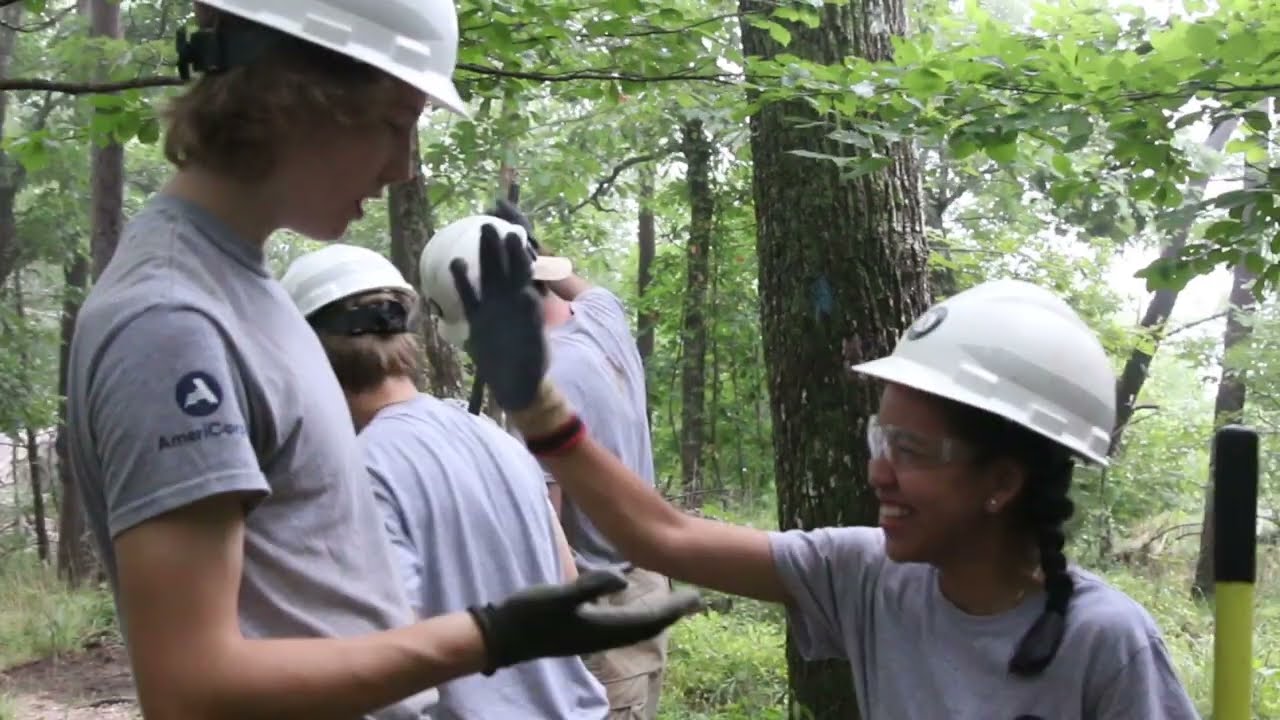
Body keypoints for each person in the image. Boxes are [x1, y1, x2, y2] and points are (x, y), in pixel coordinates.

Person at [62, 4, 700, 719]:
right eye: (394, 121)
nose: (402, 166)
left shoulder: (244, 289)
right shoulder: (174, 321)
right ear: (291, 95)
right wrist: (485, 636)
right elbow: (192, 686)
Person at [439, 226, 1203, 720]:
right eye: (882, 436)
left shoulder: (1105, 644)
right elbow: (661, 533)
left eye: (912, 451)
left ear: (1002, 482)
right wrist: (540, 410)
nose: (878, 472)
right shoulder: (866, 575)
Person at [279, 243, 612, 720]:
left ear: (306, 354)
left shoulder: (362, 470)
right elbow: (565, 580)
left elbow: (390, 673)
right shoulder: (492, 436)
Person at [421, 209, 674, 719]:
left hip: (598, 609)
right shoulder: (603, 320)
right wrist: (528, 251)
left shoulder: (539, 391)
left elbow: (546, 534)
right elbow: (577, 286)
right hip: (648, 587)